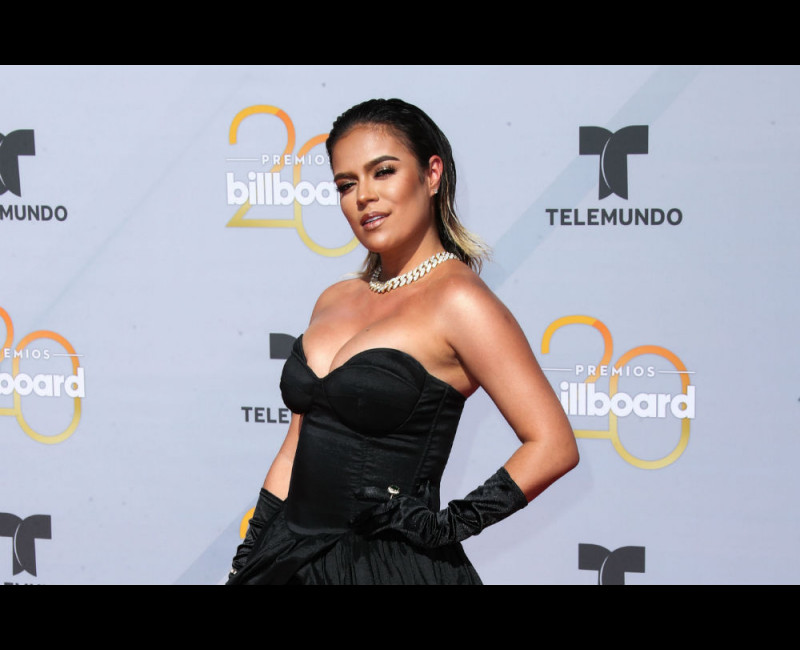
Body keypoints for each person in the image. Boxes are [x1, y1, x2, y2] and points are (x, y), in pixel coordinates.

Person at [226, 98, 578, 585]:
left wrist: (445, 526)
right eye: (346, 184)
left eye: (383, 172)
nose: (364, 196)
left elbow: (553, 444)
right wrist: (250, 554)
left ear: (432, 175)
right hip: (286, 559)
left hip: (386, 569)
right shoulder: (335, 297)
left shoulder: (459, 301)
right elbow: (294, 448)